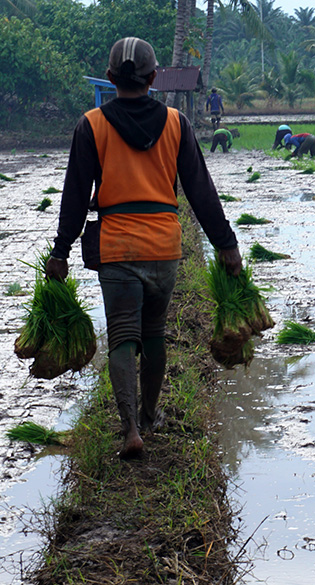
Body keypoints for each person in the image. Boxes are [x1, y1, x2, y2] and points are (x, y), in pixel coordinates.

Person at [45, 37, 242, 460]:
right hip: (162, 244)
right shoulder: (176, 123)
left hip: (116, 246)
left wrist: (60, 251)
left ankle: (130, 428)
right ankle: (151, 417)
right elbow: (201, 191)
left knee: (122, 337)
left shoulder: (91, 124)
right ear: (154, 79)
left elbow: (75, 196)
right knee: (153, 334)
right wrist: (226, 243)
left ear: (111, 78)